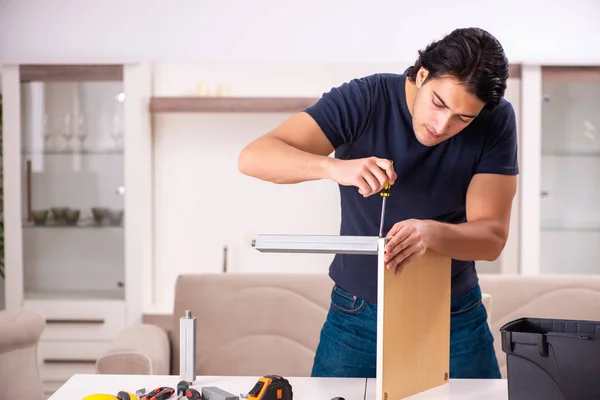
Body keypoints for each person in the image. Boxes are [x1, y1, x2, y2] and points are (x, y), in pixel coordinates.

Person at [237, 27, 517, 379]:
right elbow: (253, 157)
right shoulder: (365, 98)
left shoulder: (497, 120)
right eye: (438, 104)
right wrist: (333, 166)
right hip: (356, 315)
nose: (442, 125)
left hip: (453, 315)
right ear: (422, 74)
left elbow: (491, 238)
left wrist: (430, 233)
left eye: (463, 118)